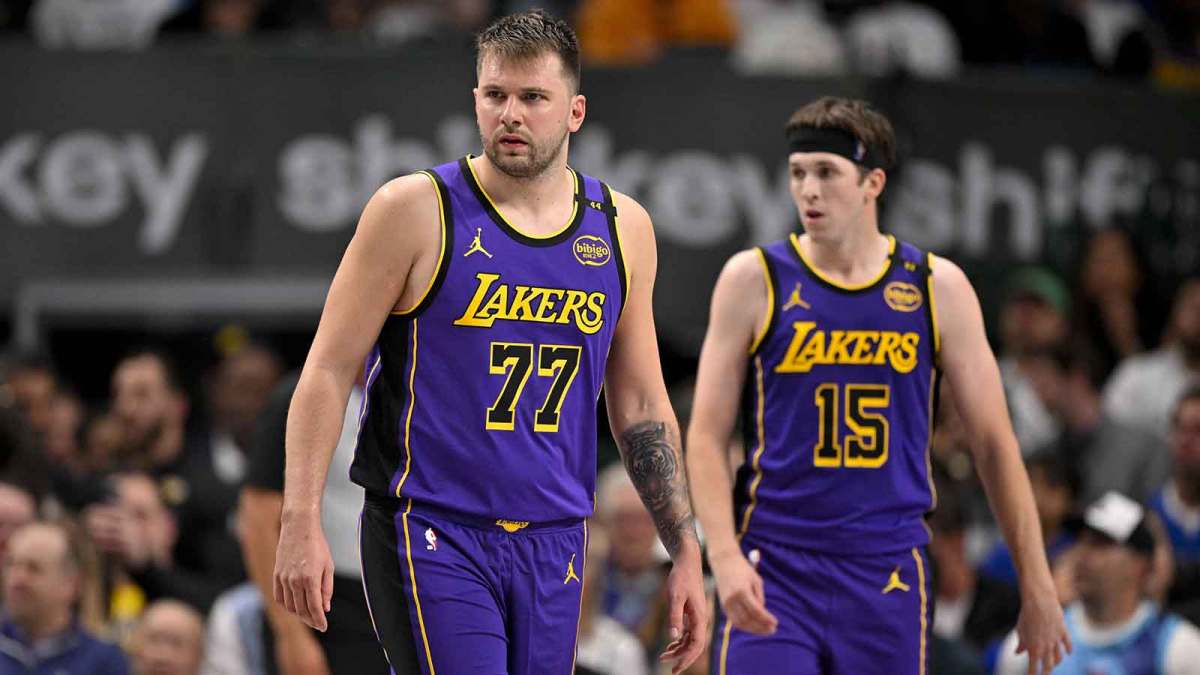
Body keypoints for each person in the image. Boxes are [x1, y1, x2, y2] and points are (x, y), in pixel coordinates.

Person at [272, 10, 706, 675]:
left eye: (533, 97)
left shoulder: (623, 228)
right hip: (432, 526)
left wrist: (684, 548)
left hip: (556, 537)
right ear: (475, 100)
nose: (511, 114)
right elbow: (327, 369)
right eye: (496, 95)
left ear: (575, 112)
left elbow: (643, 404)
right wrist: (299, 518)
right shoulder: (413, 209)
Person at [686, 96, 1070, 674]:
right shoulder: (753, 278)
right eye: (797, 173)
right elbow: (706, 435)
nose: (808, 190)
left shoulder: (937, 287)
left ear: (873, 183)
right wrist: (723, 554)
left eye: (827, 172)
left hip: (886, 567)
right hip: (777, 561)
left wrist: (1037, 585)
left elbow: (994, 444)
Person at [996, 491, 1200, 674]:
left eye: (1100, 543)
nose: (1083, 554)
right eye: (1081, 541)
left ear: (1140, 563)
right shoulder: (1033, 641)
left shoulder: (1179, 648)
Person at [0, 521, 128, 674]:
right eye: (11, 565)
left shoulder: (103, 662)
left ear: (71, 584)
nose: (17, 579)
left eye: (34, 569)